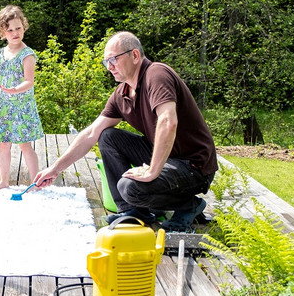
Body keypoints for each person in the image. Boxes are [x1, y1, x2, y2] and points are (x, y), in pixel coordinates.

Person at [34, 31, 218, 232]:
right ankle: (133, 211)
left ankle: (189, 205)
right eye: (106, 62)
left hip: (193, 166)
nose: (109, 67)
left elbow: (168, 121)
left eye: (113, 59)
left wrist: (152, 170)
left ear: (135, 56)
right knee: (107, 136)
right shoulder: (122, 93)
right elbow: (91, 134)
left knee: (129, 187)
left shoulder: (156, 75)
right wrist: (55, 169)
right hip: (165, 157)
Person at [0, 5, 44, 189]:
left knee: (25, 145)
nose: (15, 33)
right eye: (10, 30)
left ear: (24, 27)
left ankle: (36, 182)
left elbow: (29, 81)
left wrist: (15, 89)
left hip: (22, 107)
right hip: (5, 107)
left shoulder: (27, 54)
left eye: (18, 28)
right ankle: (4, 181)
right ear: (2, 32)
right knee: (4, 145)